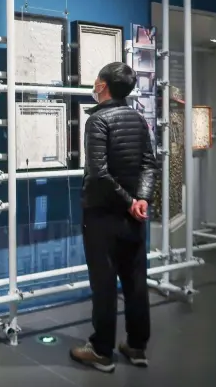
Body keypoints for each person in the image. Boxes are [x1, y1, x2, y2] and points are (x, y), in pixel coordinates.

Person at [69, 62, 158, 373]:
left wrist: (131, 200)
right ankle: (136, 347)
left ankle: (102, 351)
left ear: (103, 85)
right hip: (133, 218)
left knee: (104, 283)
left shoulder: (98, 121)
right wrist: (141, 201)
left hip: (102, 216)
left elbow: (99, 173)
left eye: (97, 80)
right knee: (135, 282)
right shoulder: (138, 119)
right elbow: (150, 165)